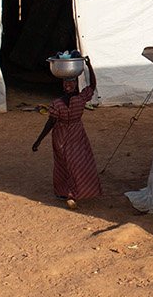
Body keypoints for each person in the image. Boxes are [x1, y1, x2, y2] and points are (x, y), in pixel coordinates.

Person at [31, 75, 101, 208]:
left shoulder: (57, 104)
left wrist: (38, 140)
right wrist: (88, 65)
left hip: (61, 136)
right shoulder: (80, 99)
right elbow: (92, 85)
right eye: (67, 82)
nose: (68, 84)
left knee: (63, 164)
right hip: (77, 134)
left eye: (69, 82)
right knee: (77, 162)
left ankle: (64, 191)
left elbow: (50, 123)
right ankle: (76, 191)